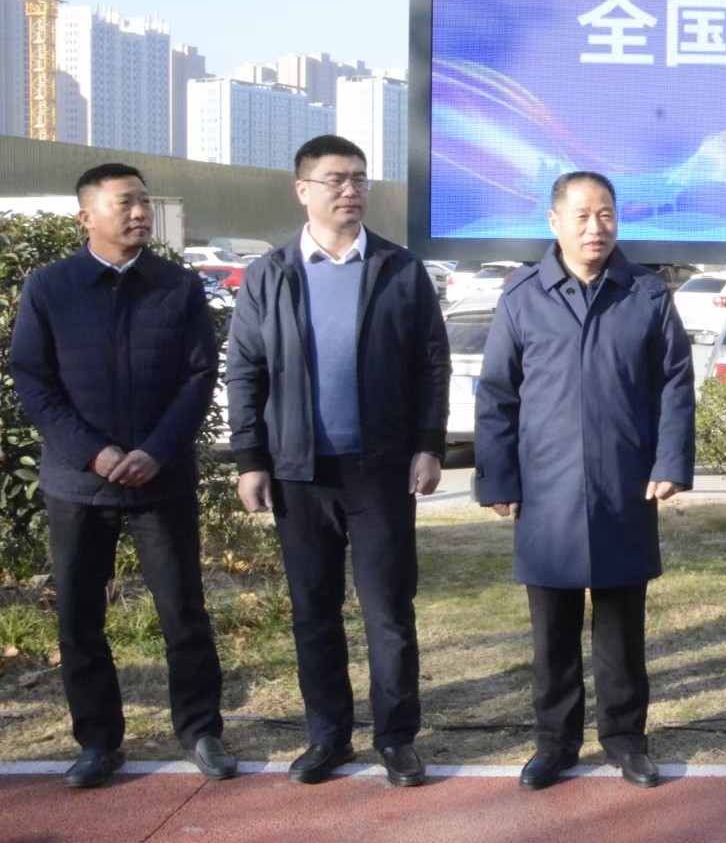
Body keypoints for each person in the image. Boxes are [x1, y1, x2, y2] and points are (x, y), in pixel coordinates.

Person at [227, 136, 450, 787]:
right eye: (335, 179)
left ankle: (396, 738)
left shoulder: (398, 269)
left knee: (389, 611)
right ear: (303, 190)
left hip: (379, 470)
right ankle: (327, 736)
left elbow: (430, 364)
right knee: (313, 612)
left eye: (359, 178)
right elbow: (245, 370)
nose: (350, 190)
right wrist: (250, 458)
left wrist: (429, 445)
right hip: (299, 471)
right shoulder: (270, 274)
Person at [9, 164, 234, 789]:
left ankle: (201, 730)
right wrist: (93, 454)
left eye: (144, 202)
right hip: (78, 484)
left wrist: (157, 451)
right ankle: (97, 742)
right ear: (87, 216)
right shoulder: (50, 287)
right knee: (80, 618)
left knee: (182, 611)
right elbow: (33, 378)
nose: (140, 213)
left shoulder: (177, 286)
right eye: (125, 203)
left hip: (161, 481)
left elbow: (199, 376)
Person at [476, 171, 695, 790]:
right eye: (582, 216)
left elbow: (675, 384)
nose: (596, 228)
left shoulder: (646, 294)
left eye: (606, 215)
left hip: (624, 484)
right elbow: (497, 393)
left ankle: (626, 739)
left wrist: (669, 462)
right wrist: (498, 478)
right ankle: (555, 743)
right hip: (546, 489)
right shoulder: (522, 295)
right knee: (552, 630)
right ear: (554, 222)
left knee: (622, 628)